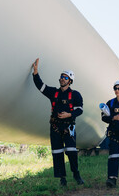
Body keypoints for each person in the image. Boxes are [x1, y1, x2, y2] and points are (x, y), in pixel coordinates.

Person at [32, 58, 84, 187]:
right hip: (55, 127)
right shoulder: (53, 92)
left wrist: (69, 114)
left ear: (70, 81)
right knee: (57, 152)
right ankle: (62, 179)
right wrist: (35, 72)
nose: (62, 79)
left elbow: (80, 110)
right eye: (61, 76)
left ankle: (76, 174)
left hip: (69, 127)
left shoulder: (75, 95)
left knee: (71, 151)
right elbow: (40, 86)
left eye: (65, 77)